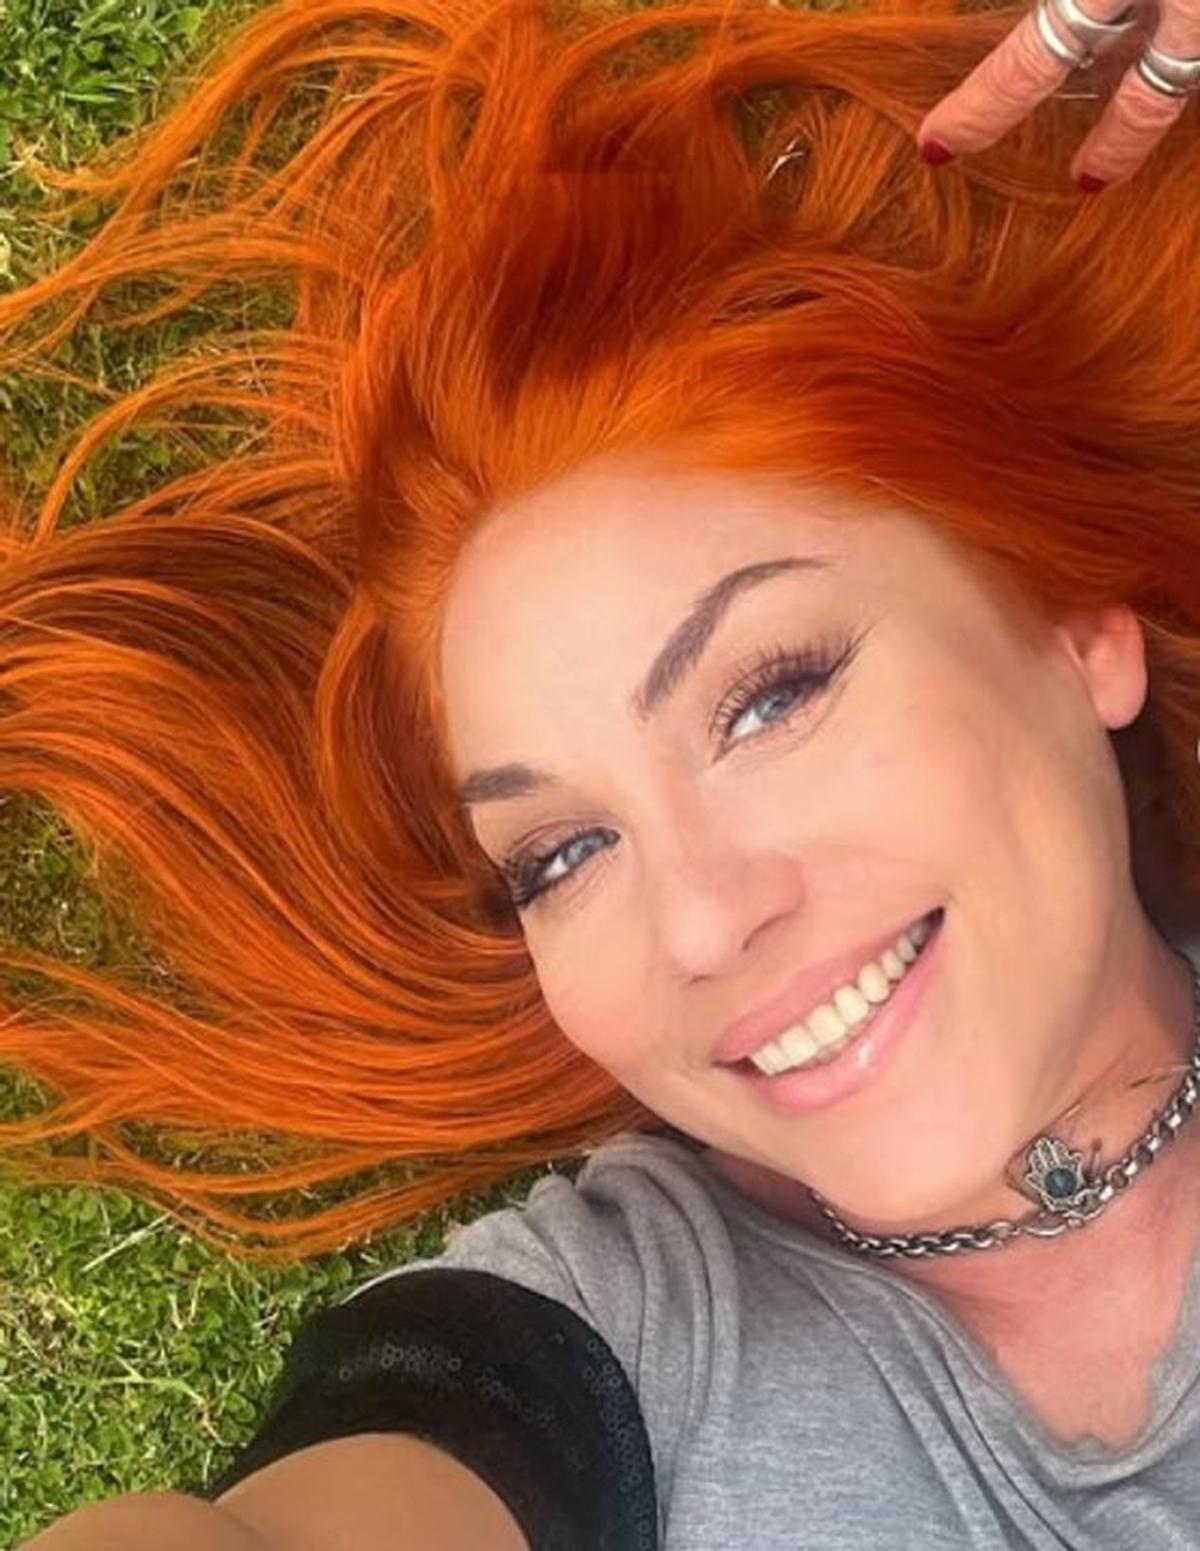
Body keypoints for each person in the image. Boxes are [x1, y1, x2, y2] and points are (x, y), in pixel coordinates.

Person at [10, 0, 1200, 1546]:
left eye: (769, 698)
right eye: (563, 854)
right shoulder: (621, 1328)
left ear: (1077, 632)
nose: (697, 921)